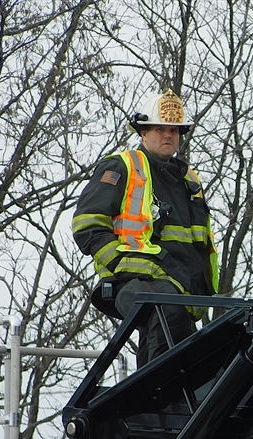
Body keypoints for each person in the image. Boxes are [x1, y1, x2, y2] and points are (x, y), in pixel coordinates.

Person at [72, 89, 218, 367]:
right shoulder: (122, 166)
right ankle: (161, 399)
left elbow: (194, 245)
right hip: (130, 282)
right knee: (166, 315)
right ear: (143, 132)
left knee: (194, 345)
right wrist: (117, 262)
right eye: (160, 129)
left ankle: (155, 405)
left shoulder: (189, 181)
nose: (168, 135)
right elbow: (87, 223)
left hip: (180, 291)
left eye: (174, 131)